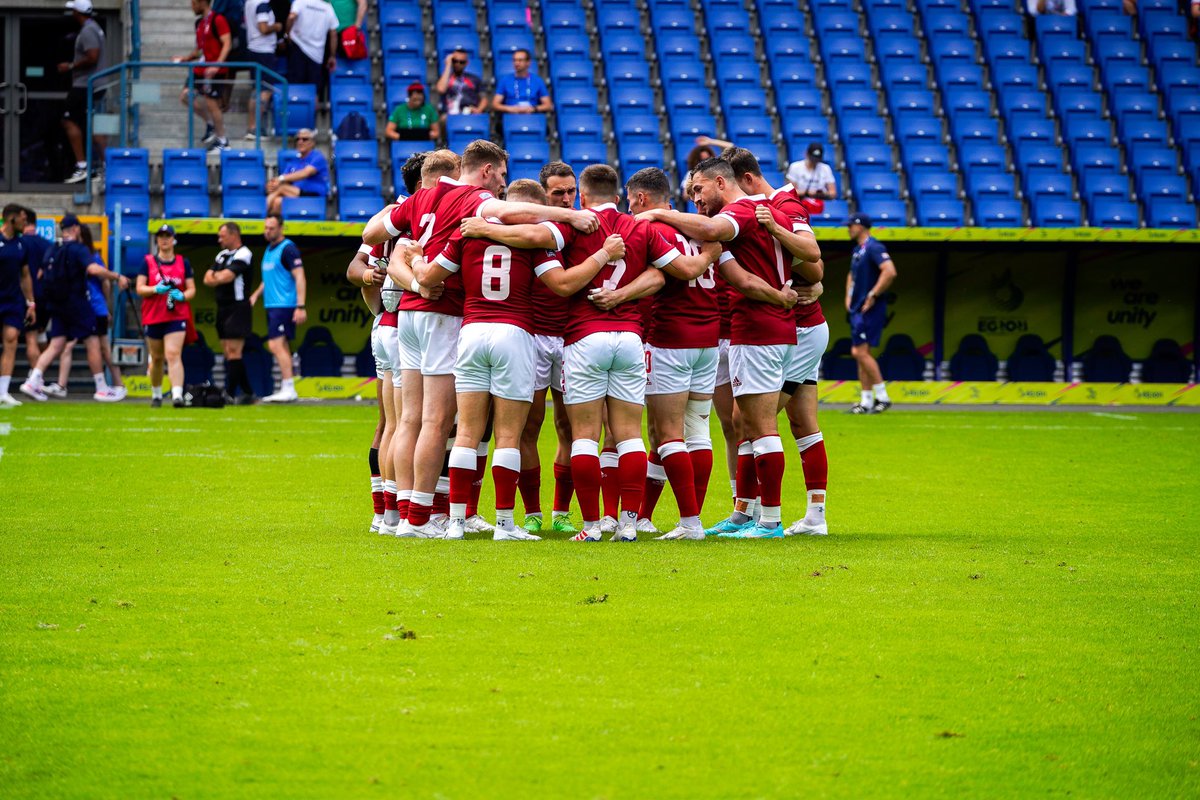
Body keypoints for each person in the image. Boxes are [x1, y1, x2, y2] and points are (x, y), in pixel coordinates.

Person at [361, 141, 599, 537]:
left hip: (409, 315)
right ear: (486, 170)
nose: (502, 183)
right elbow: (516, 215)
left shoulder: (419, 200)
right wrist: (569, 215)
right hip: (452, 317)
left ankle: (399, 515)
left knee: (409, 419)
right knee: (441, 422)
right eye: (501, 174)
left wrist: (417, 277)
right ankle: (420, 518)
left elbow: (373, 235)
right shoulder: (475, 201)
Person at [412, 178, 623, 540]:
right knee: (509, 435)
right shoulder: (536, 240)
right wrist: (602, 254)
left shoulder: (467, 233)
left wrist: (415, 258)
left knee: (467, 432)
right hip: (515, 333)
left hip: (473, 332)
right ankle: (505, 524)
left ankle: (456, 523)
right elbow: (562, 284)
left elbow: (430, 277)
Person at [620, 168, 725, 539]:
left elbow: (661, 277)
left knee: (666, 434)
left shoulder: (655, 230)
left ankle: (690, 523)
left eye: (630, 201)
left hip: (671, 339)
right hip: (708, 338)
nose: (629, 208)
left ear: (643, 198)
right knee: (697, 431)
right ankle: (657, 517)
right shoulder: (700, 228)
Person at [511, 162, 581, 534]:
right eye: (558, 193)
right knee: (529, 426)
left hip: (572, 338)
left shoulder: (585, 227)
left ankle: (562, 512)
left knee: (570, 426)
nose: (567, 199)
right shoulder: (532, 230)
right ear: (544, 195)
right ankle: (532, 512)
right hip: (534, 336)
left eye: (571, 191)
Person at [21, 215, 124, 404]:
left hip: (57, 304)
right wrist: (117, 276)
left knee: (56, 345)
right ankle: (101, 387)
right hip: (77, 303)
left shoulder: (54, 248)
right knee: (92, 342)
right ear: (76, 228)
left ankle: (33, 381)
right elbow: (93, 270)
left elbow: (40, 274)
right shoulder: (79, 249)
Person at [135, 225, 195, 408]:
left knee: (173, 353)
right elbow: (140, 288)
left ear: (173, 239)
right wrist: (155, 289)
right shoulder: (148, 262)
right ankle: (156, 394)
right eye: (161, 236)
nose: (164, 240)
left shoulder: (183, 262)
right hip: (153, 315)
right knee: (157, 357)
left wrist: (182, 296)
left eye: (167, 236)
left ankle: (177, 395)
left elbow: (191, 289)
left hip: (176, 314)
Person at [250, 214, 305, 403]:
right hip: (272, 305)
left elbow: (300, 276)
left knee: (275, 345)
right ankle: (287, 387)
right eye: (266, 228)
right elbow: (268, 279)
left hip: (284, 305)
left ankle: (288, 387)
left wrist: (300, 306)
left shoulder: (288, 249)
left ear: (281, 228)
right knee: (281, 345)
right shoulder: (269, 249)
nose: (267, 231)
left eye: (271, 228)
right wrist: (255, 295)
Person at [846, 214, 897, 414]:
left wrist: (873, 294)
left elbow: (889, 271)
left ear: (861, 226)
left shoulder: (874, 247)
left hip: (870, 308)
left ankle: (883, 397)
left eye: (851, 225)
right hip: (858, 308)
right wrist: (848, 296)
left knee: (859, 352)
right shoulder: (858, 249)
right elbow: (851, 275)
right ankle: (866, 401)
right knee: (862, 353)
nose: (848, 229)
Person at [202, 221, 257, 403]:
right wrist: (217, 277)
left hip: (238, 307)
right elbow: (206, 278)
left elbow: (228, 276)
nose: (219, 240)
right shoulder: (222, 255)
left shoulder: (244, 253)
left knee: (234, 351)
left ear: (234, 235)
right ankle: (248, 392)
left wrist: (216, 277)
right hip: (223, 307)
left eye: (223, 236)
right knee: (228, 352)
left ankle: (230, 393)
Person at [174, 0, 233, 151]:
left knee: (212, 103)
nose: (192, 6)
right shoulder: (199, 23)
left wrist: (217, 65)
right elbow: (199, 49)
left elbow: (227, 44)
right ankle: (211, 124)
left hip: (214, 71)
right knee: (185, 96)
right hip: (200, 69)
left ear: (202, 3)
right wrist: (186, 59)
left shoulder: (218, 19)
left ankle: (222, 140)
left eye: (194, 3)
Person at [59, 0, 107, 183]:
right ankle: (106, 167)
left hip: (85, 85)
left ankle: (82, 166)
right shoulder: (94, 28)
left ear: (77, 12)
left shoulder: (88, 30)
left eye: (73, 10)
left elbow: (92, 56)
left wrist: (70, 66)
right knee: (93, 125)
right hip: (91, 84)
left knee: (68, 119)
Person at [0, 205, 36, 408]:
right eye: (22, 219)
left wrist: (31, 302)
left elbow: (25, 275)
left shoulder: (22, 245)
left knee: (11, 339)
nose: (25, 223)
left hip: (13, 301)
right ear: (11, 219)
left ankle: (3, 391)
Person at [243, 0, 284, 140]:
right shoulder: (262, 4)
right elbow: (263, 28)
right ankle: (257, 128)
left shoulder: (250, 2)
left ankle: (252, 127)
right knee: (265, 90)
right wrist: (277, 27)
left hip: (254, 49)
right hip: (263, 51)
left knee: (256, 90)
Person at [266, 129, 328, 215]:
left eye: (304, 139)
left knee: (282, 188)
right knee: (277, 201)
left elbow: (305, 173)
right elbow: (284, 180)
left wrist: (280, 179)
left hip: (314, 196)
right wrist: (272, 185)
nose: (300, 142)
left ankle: (261, 214)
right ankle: (271, 222)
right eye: (297, 139)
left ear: (312, 143)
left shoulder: (317, 157)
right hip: (296, 195)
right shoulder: (293, 162)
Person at [285, 0, 338, 93]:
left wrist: (287, 34)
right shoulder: (328, 8)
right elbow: (333, 34)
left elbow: (291, 17)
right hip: (317, 54)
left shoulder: (300, 2)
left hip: (298, 47)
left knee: (295, 87)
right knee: (314, 90)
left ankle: (294, 102)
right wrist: (332, 56)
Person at [20, 209, 51, 367]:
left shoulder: (20, 244)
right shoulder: (48, 245)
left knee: (31, 337)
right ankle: (41, 372)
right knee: (41, 334)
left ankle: (35, 376)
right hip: (46, 297)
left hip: (28, 297)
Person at [492, 49, 552, 115]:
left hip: (532, 116)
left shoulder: (537, 80)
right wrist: (510, 109)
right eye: (514, 60)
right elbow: (495, 104)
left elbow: (548, 105)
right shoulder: (505, 80)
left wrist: (534, 109)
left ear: (528, 63)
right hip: (512, 116)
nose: (516, 63)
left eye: (520, 60)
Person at [435, 49, 488, 120]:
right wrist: (448, 65)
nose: (458, 64)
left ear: (466, 63)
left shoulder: (474, 79)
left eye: (461, 62)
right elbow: (441, 89)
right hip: (450, 115)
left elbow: (484, 99)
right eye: (455, 61)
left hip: (469, 113)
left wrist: (478, 110)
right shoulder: (445, 78)